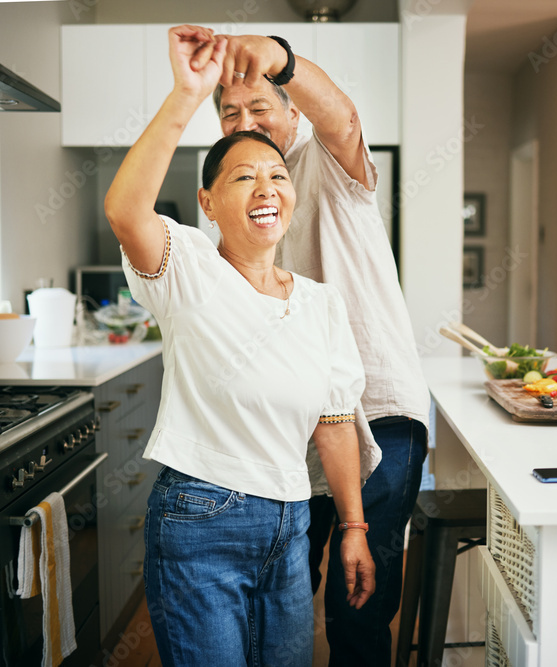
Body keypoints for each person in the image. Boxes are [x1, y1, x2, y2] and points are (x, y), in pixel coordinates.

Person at [103, 27, 376, 666]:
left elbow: (334, 423)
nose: (265, 189)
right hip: (201, 520)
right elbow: (124, 211)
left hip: (291, 524)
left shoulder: (320, 302)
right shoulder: (186, 268)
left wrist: (354, 530)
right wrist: (187, 93)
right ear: (207, 201)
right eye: (242, 177)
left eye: (277, 175)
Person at [186, 28, 432, 665]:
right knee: (289, 589)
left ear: (292, 112)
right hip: (301, 425)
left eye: (260, 106)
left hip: (379, 410)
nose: (246, 121)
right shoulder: (236, 199)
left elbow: (341, 115)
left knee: (361, 602)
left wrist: (280, 58)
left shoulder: (326, 162)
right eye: (231, 113)